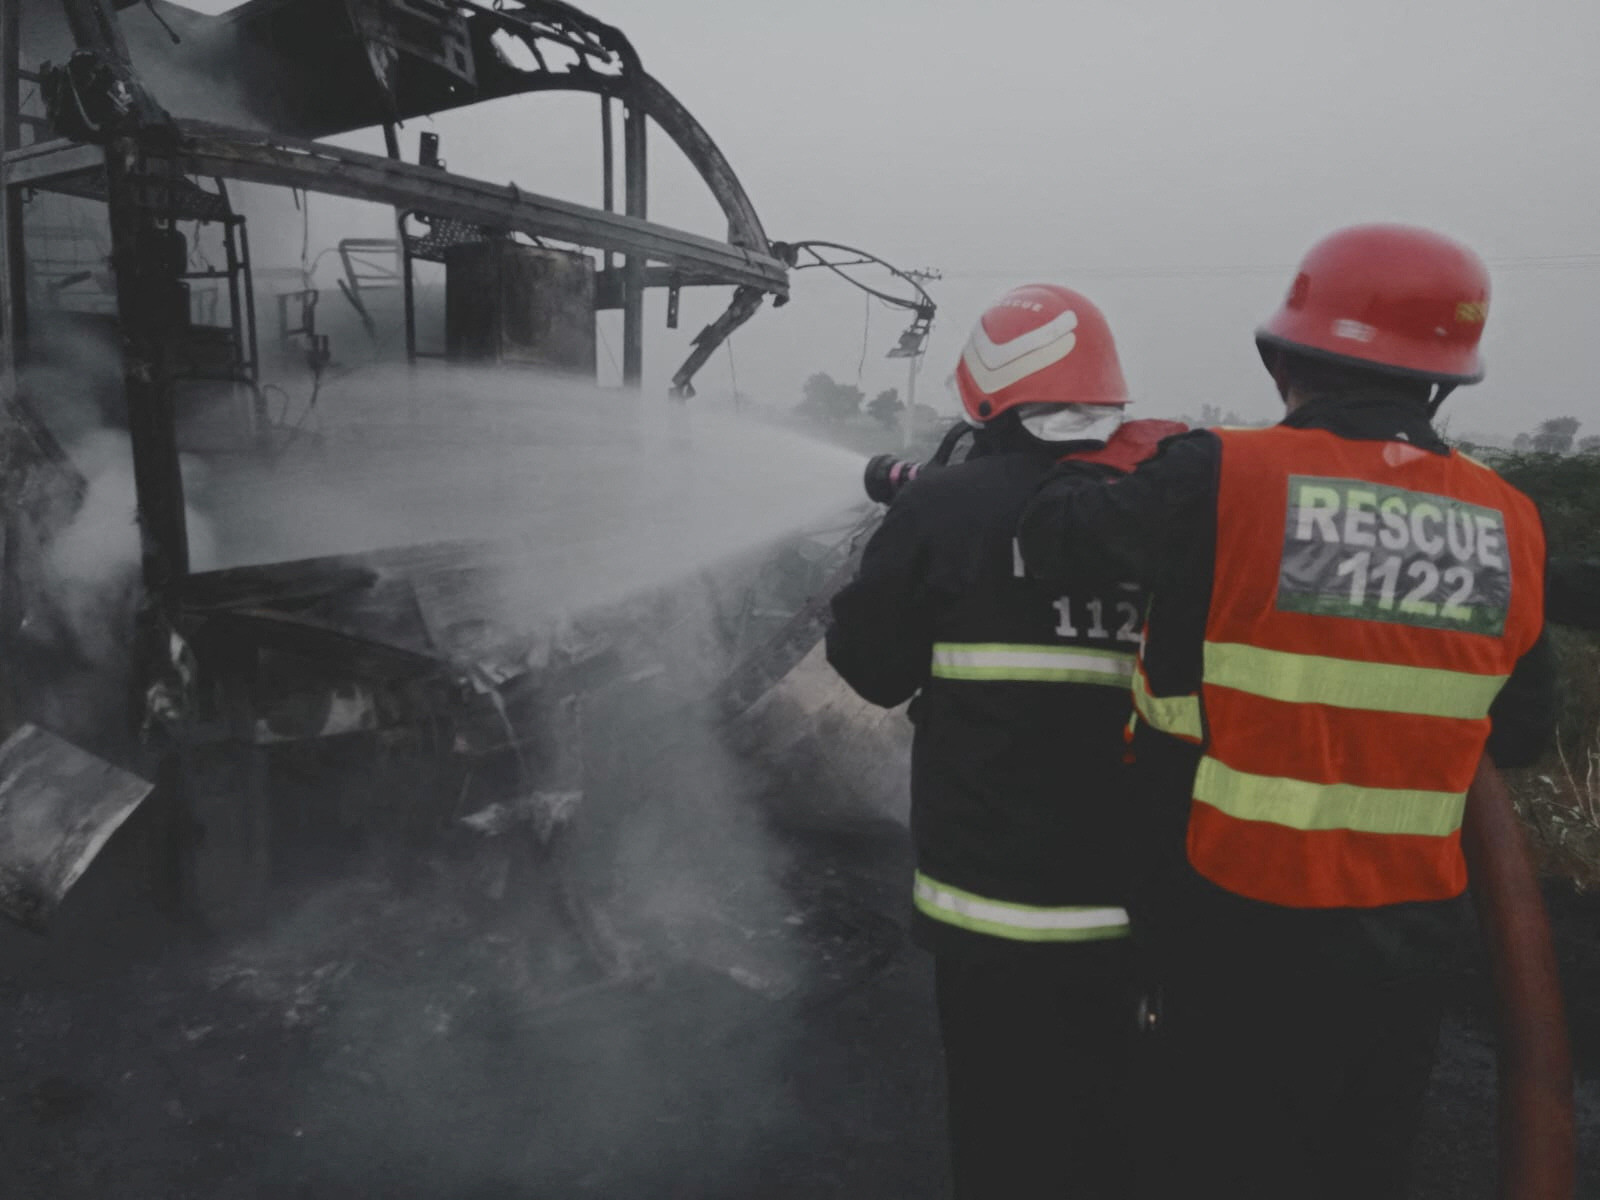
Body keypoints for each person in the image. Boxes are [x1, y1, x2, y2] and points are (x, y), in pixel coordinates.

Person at [1016, 224, 1557, 1199]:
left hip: (1234, 924)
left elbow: (1060, 540)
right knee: (1359, 1165)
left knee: (1207, 1158)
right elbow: (1515, 731)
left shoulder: (1223, 470)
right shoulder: (1508, 519)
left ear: (1282, 359)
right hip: (1406, 943)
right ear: (1441, 383)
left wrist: (1116, 450)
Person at [826, 283, 1184, 1199]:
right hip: (1147, 911)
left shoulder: (945, 507)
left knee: (1005, 1142)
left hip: (990, 914)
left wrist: (875, 566)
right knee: (1126, 1133)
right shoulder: (1162, 503)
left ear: (988, 390)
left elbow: (872, 669)